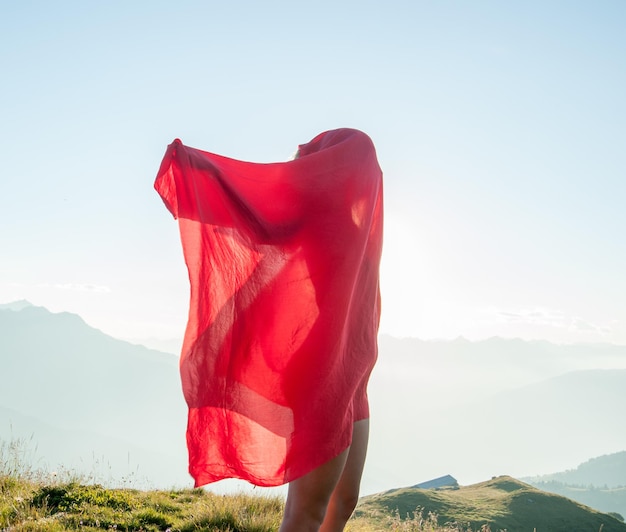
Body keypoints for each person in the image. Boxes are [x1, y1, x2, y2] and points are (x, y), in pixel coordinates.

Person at [154, 128, 383, 530]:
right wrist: (194, 169)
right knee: (306, 513)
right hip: (321, 374)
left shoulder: (364, 226)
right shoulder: (311, 217)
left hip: (354, 373)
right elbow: (250, 210)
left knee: (344, 501)